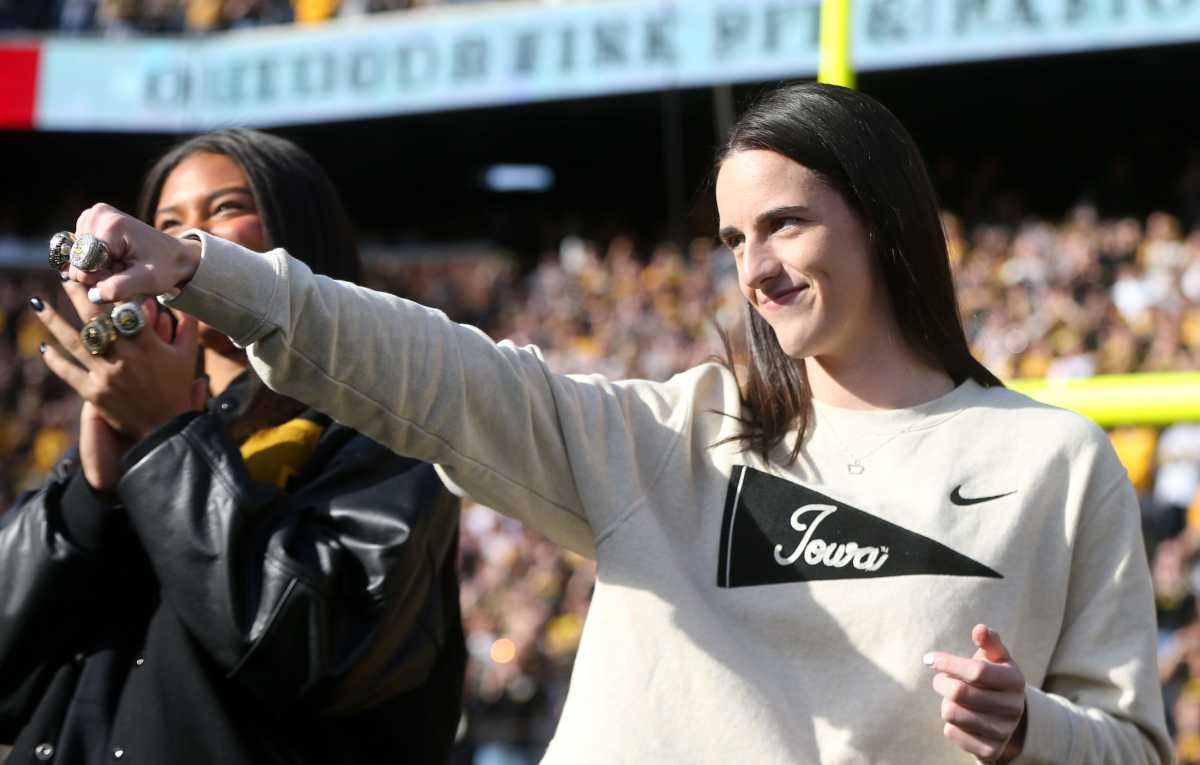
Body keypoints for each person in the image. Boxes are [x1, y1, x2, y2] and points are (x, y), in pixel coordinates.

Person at [65, 84, 1169, 763]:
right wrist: (210, 272)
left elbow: (1129, 749)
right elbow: (447, 373)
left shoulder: (1054, 462)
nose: (758, 270)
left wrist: (1032, 732)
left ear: (883, 224)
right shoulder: (671, 437)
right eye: (735, 240)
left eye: (785, 225)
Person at [0, 129, 466, 764]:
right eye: (165, 221)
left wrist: (169, 441)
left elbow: (312, 655)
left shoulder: (392, 433)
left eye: (223, 209)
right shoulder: (129, 433)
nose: (179, 243)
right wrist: (90, 498)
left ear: (301, 239)